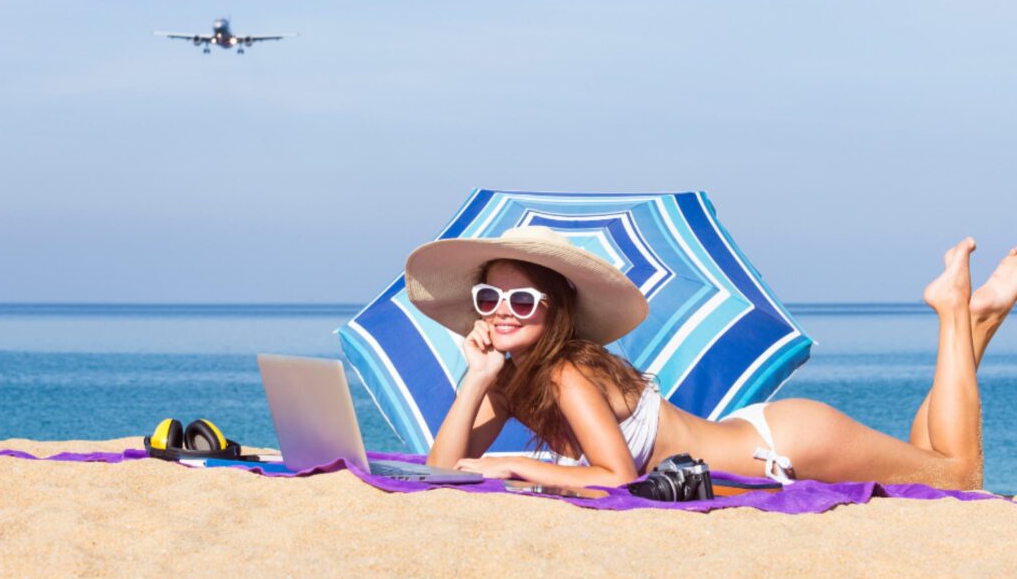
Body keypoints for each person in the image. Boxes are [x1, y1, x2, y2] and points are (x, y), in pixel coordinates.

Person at [405, 227, 1012, 490]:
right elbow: (442, 469)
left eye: (520, 300)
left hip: (785, 447)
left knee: (958, 479)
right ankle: (976, 321)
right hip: (755, 440)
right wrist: (477, 380)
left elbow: (615, 478)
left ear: (554, 310)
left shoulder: (566, 372)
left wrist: (518, 467)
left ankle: (953, 311)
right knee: (930, 462)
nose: (502, 312)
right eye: (489, 298)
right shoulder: (513, 380)